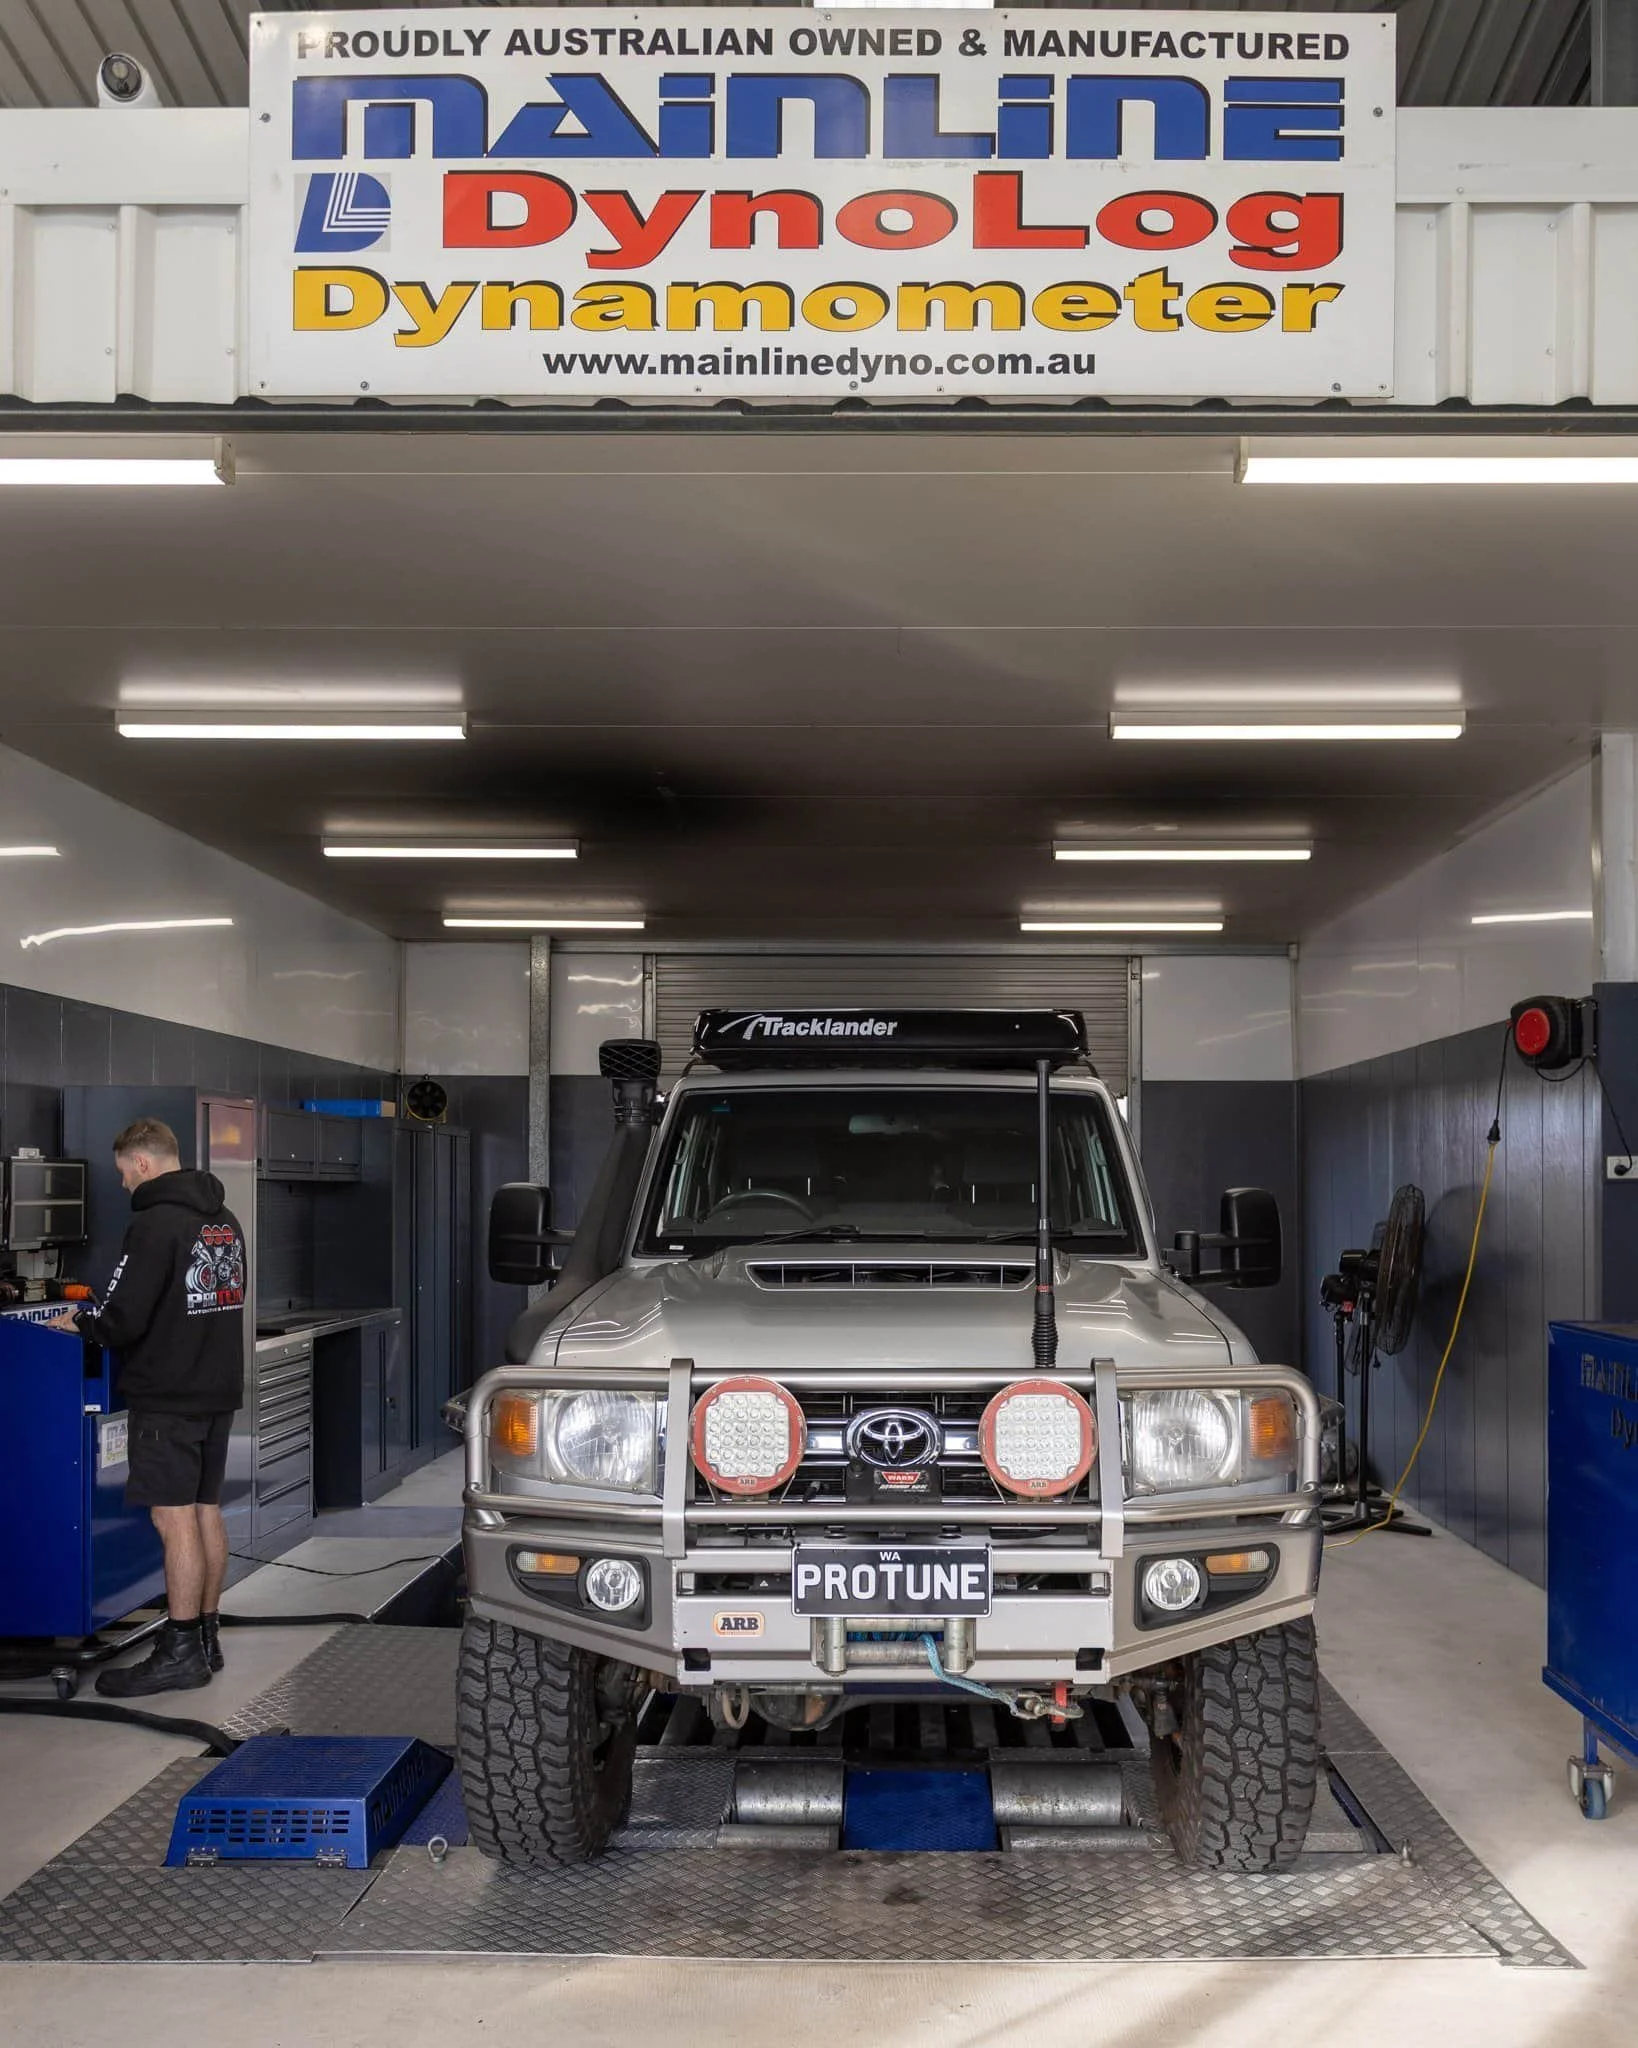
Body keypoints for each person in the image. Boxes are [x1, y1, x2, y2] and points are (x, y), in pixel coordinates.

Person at [46, 1116, 247, 1696]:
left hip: (169, 1396)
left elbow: (122, 1316)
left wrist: (81, 1323)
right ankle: (205, 1638)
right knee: (206, 1509)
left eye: (122, 1173)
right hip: (217, 1389)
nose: (123, 1185)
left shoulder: (155, 1225)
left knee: (172, 1516)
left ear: (141, 1163)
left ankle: (180, 1647)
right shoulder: (223, 1221)